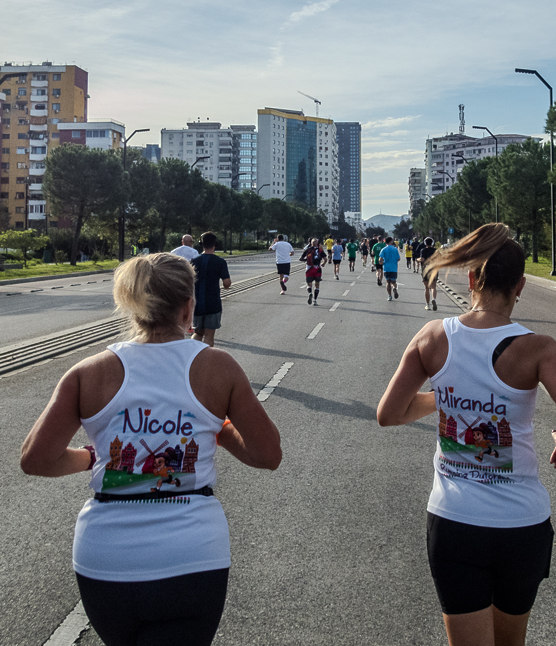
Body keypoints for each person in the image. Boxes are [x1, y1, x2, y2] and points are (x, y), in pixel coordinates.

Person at [20, 252, 282, 646]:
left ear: (132, 305)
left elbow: (36, 459)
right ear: (188, 306)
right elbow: (267, 456)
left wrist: (92, 457)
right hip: (192, 554)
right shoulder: (219, 368)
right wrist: (219, 426)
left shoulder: (88, 372)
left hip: (105, 557)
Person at [376, 224, 556, 646]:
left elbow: (388, 414)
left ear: (472, 278)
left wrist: (444, 397)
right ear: (521, 286)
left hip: (454, 521)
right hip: (522, 524)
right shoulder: (538, 348)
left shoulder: (433, 337)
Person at [191, 231, 231, 346]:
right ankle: (206, 360)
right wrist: (226, 285)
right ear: (215, 245)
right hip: (213, 303)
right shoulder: (220, 262)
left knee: (198, 332)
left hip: (197, 303)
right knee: (209, 334)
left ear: (201, 244)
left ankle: (192, 355)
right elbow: (226, 283)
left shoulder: (194, 261)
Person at [301, 237, 326, 305]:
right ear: (317, 243)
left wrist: (307, 260)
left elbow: (301, 258)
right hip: (317, 269)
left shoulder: (307, 250)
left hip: (309, 268)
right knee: (317, 284)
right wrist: (323, 263)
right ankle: (315, 300)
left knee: (309, 284)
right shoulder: (320, 250)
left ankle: (310, 293)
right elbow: (325, 258)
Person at [380, 236, 401, 301]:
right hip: (394, 268)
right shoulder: (395, 249)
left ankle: (389, 296)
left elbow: (380, 259)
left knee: (387, 282)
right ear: (391, 241)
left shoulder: (383, 249)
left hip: (386, 268)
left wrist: (381, 262)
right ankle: (394, 288)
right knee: (393, 282)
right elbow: (398, 258)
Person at [420, 237, 439, 311]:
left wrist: (418, 260)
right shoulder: (436, 250)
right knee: (434, 287)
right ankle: (434, 299)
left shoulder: (423, 250)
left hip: (426, 269)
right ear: (432, 243)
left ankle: (427, 305)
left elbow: (422, 260)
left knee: (426, 287)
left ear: (425, 243)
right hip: (434, 269)